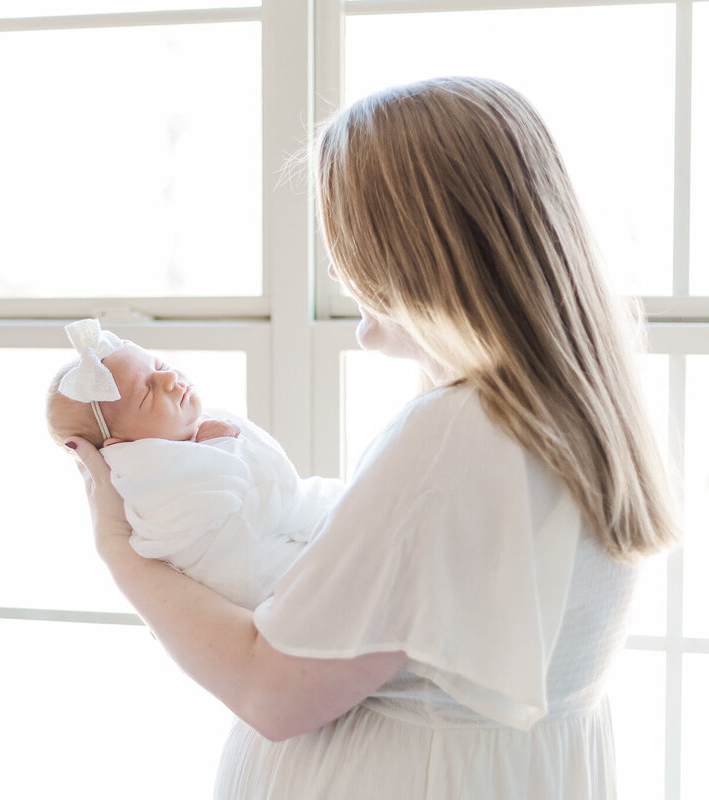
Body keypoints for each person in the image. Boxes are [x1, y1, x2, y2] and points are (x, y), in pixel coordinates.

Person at [65, 76, 678, 798]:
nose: (333, 268)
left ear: (413, 247)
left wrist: (119, 555)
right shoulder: (568, 412)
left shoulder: (456, 437)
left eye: (346, 238)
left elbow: (273, 692)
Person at [47, 318, 345, 609]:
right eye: (147, 393)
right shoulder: (155, 486)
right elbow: (263, 502)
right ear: (122, 447)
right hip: (267, 584)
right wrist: (223, 445)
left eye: (159, 366)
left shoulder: (187, 444)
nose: (169, 379)